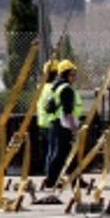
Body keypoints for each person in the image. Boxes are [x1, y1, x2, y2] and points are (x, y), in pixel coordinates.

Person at [42, 59, 82, 188]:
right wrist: (74, 128)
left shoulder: (56, 87)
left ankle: (75, 179)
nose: (74, 78)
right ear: (65, 75)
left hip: (56, 124)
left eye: (75, 75)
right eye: (72, 75)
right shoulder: (66, 89)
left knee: (64, 154)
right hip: (64, 125)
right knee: (61, 154)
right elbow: (67, 112)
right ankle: (52, 180)